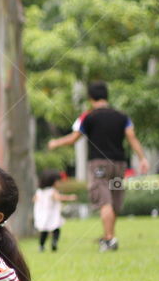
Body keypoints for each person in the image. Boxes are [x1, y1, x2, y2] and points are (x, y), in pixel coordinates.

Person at [48, 81, 149, 251]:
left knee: (104, 202)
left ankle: (109, 239)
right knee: (114, 200)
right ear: (106, 96)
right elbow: (132, 137)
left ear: (90, 98)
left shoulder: (88, 116)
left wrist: (56, 143)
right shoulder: (122, 116)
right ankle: (110, 236)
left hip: (99, 164)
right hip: (119, 164)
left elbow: (74, 138)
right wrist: (142, 158)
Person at [33, 170, 76, 252]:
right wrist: (70, 197)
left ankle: (41, 246)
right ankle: (54, 242)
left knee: (44, 231)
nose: (59, 183)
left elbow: (34, 199)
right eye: (58, 181)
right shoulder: (52, 191)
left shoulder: (39, 191)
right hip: (51, 214)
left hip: (42, 214)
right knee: (56, 229)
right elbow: (58, 198)